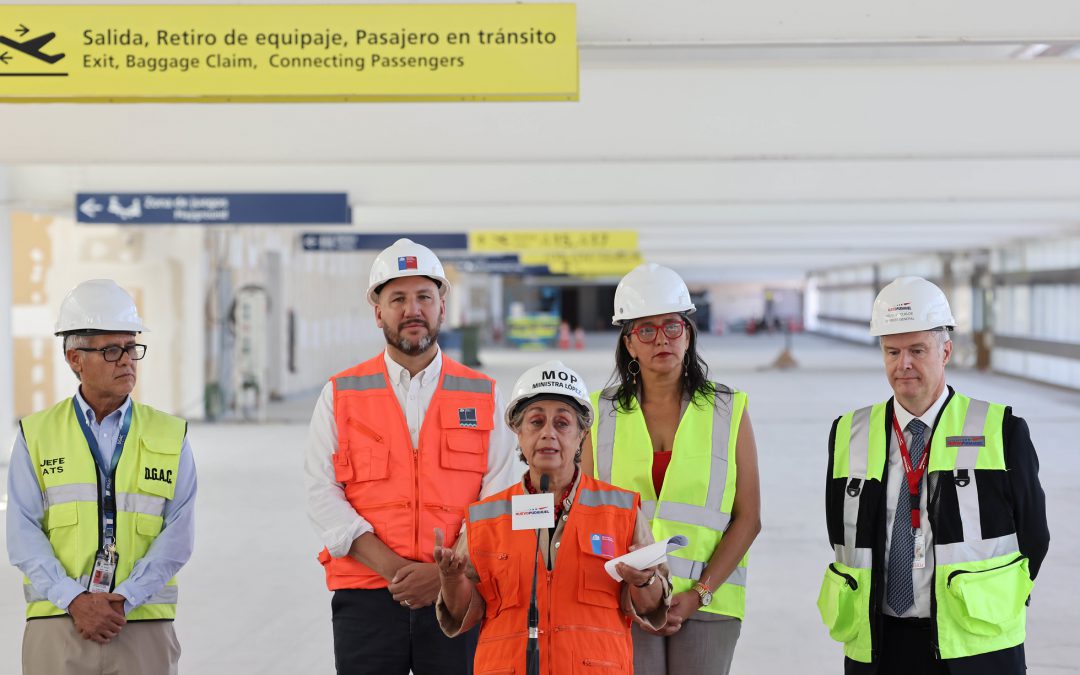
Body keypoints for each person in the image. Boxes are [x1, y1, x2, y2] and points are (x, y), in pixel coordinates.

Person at [304, 238, 522, 675]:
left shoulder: (483, 394)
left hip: (460, 594)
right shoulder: (340, 394)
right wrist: (396, 570)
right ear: (378, 311)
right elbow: (320, 490)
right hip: (367, 593)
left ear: (442, 305)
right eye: (397, 298)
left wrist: (445, 574)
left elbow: (501, 492)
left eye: (424, 296)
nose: (412, 309)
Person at [819, 276, 1050, 675]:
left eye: (916, 350)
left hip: (976, 645)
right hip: (879, 643)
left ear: (945, 351)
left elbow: (1034, 534)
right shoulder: (849, 432)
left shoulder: (1000, 429)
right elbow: (839, 533)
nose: (902, 364)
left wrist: (997, 599)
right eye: (892, 351)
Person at [5, 279, 197, 675]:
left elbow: (179, 533)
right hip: (58, 621)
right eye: (111, 350)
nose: (126, 360)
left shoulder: (170, 435)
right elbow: (21, 531)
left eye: (131, 348)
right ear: (75, 358)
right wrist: (74, 599)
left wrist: (125, 598)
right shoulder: (35, 434)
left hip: (140, 621)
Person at [580, 262, 762, 675]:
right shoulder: (598, 413)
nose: (660, 339)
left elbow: (747, 518)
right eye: (646, 329)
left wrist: (699, 592)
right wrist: (635, 590)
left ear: (688, 333)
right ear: (629, 343)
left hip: (708, 601)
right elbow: (586, 514)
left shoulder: (729, 409)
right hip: (621, 598)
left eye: (671, 326)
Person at [435, 361, 670, 673]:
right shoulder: (485, 518)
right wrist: (451, 581)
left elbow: (652, 606)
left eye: (562, 423)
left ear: (581, 434)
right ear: (517, 433)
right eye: (535, 422)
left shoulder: (621, 510)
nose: (548, 433)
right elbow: (464, 612)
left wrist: (647, 580)